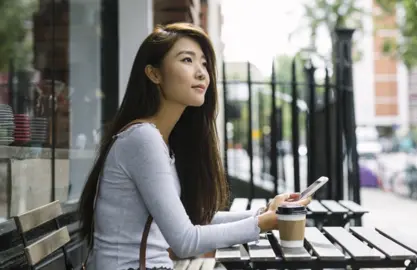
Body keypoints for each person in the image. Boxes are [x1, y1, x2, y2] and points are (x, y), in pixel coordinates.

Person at [78, 23, 311, 270]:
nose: (201, 73)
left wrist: (264, 212)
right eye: (187, 60)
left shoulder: (159, 140)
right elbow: (185, 241)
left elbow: (191, 220)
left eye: (203, 63)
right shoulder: (142, 139)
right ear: (154, 74)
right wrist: (264, 223)